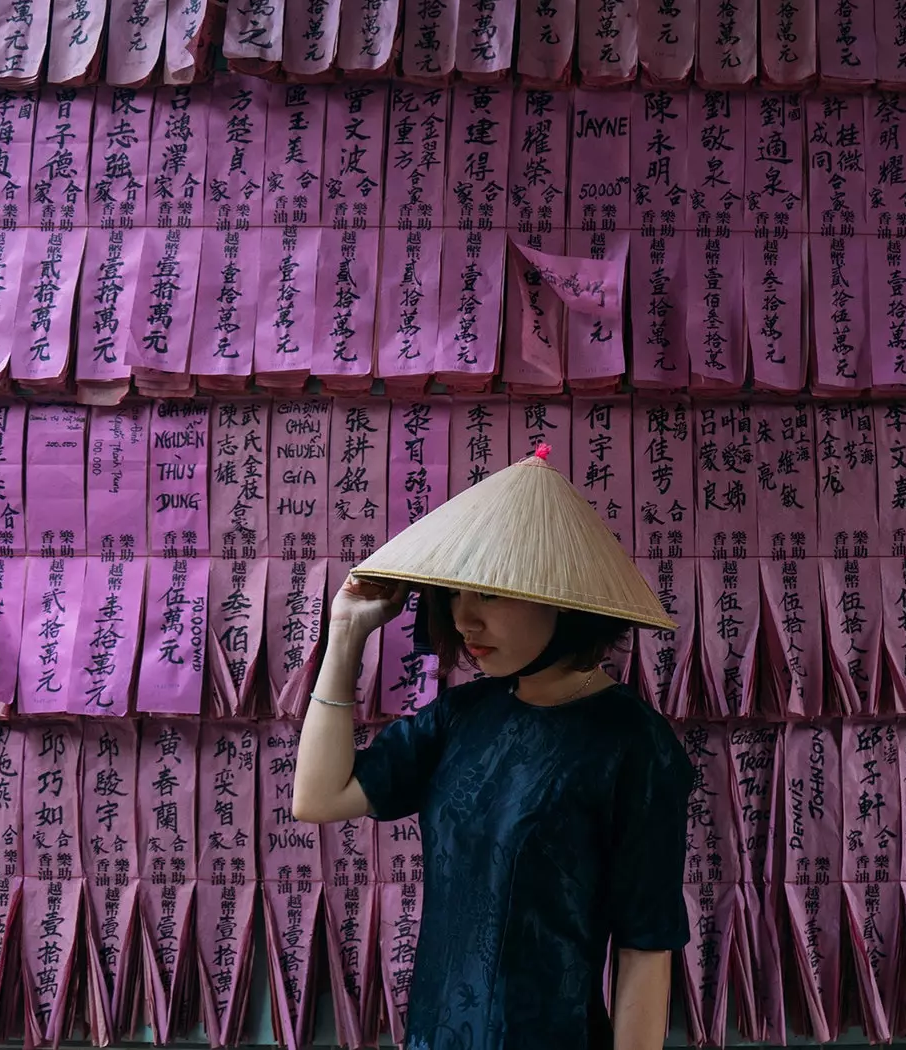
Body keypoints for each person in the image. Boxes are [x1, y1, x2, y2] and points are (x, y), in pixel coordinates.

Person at [291, 446, 691, 1050]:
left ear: (561, 598)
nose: (465, 620)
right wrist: (346, 632)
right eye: (454, 596)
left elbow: (645, 945)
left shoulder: (635, 745)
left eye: (491, 595)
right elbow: (319, 798)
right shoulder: (460, 717)